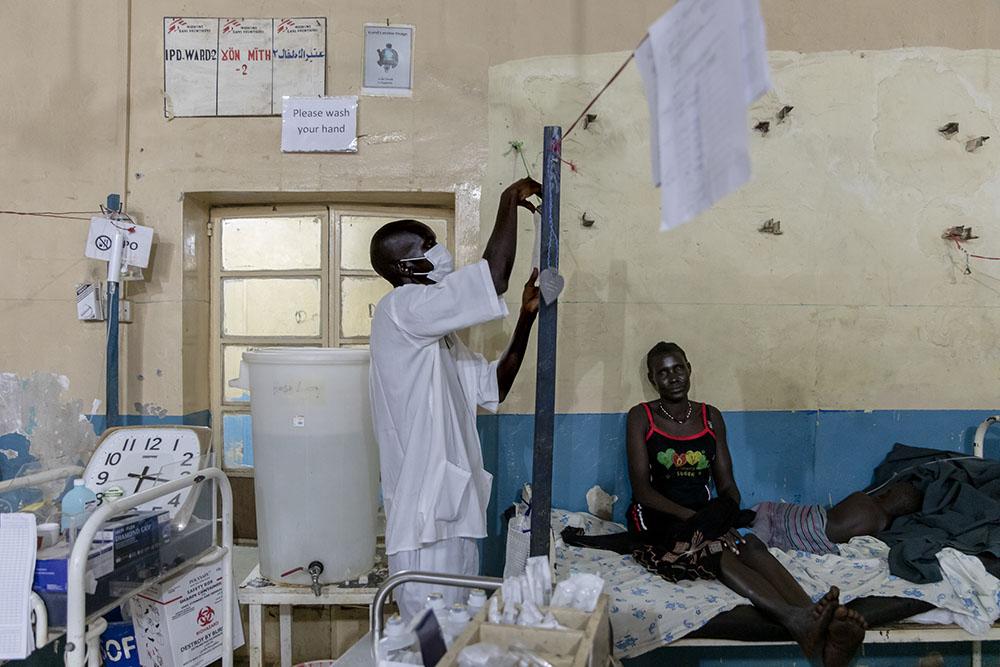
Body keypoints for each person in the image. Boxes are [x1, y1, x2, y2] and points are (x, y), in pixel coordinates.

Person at [626, 341, 867, 666]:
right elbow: (642, 491)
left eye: (678, 368)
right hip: (659, 518)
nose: (673, 377)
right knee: (714, 551)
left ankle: (812, 614)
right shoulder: (641, 416)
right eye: (663, 372)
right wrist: (701, 524)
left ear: (689, 369)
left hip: (706, 514)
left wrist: (718, 519)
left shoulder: (710, 416)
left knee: (750, 545)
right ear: (652, 379)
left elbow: (728, 487)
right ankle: (793, 619)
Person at [368, 178, 541, 620]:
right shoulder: (402, 308)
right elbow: (494, 274)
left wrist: (525, 318)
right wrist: (508, 202)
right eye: (427, 244)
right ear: (406, 268)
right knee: (432, 643)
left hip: (455, 515)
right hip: (426, 525)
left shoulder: (438, 341)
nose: (438, 249)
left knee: (458, 637)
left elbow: (493, 388)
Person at [752, 482, 923, 555]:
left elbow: (832, 512)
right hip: (819, 541)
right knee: (770, 535)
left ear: (885, 493)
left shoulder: (861, 497)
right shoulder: (882, 526)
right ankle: (758, 536)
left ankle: (755, 523)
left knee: (773, 512)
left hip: (812, 523)